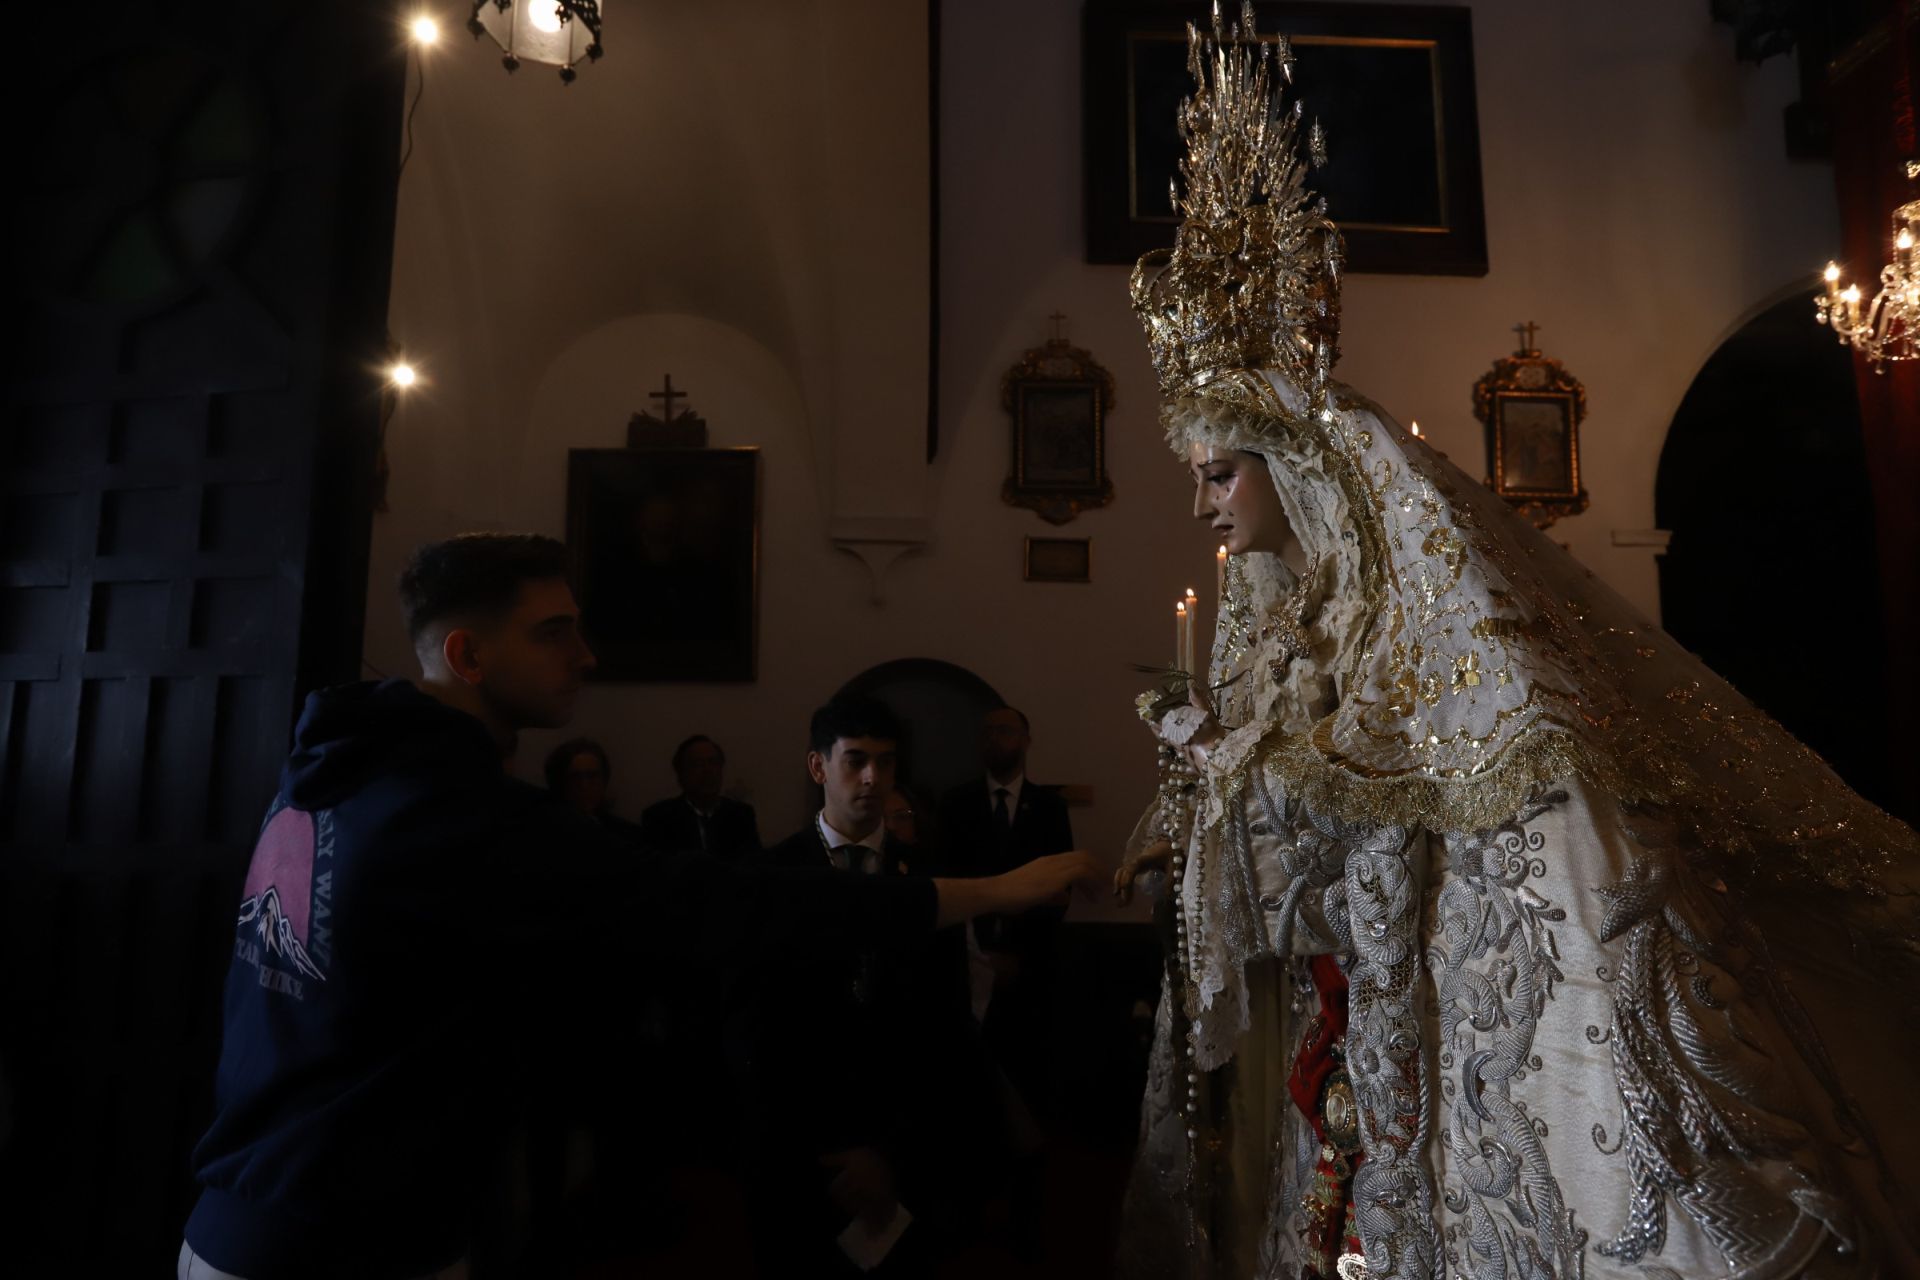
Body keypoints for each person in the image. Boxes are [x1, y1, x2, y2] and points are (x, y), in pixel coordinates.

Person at [1112, 11, 1920, 1280]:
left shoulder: (1422, 616)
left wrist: (1231, 765)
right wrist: (1207, 789)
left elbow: (1387, 819)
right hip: (1337, 1033)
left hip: (1436, 1029)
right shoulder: (1292, 629)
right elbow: (1296, 860)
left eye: (1221, 471)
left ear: (1297, 468)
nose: (1205, 503)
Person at [178, 533, 1100, 1280]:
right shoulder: (460, 812)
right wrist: (993, 890)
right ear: (467, 654)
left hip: (253, 1212)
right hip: (337, 1243)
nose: (586, 655)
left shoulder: (335, 772)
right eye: (554, 632)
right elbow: (719, 904)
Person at [738, 698, 1014, 1276]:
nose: (872, 778)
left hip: (905, 1151)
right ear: (818, 766)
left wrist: (889, 1152)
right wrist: (828, 1152)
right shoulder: (771, 875)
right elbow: (758, 1035)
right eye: (856, 760)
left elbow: (945, 1027)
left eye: (885, 763)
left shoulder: (927, 877)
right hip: (801, 1155)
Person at [638, 735, 760, 857]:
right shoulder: (659, 818)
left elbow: (753, 862)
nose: (708, 770)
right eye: (698, 764)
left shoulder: (741, 815)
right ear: (681, 774)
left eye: (713, 762)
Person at [542, 737, 643, 847]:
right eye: (575, 777)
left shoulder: (620, 830)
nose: (584, 785)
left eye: (592, 776)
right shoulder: (551, 827)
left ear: (604, 780)